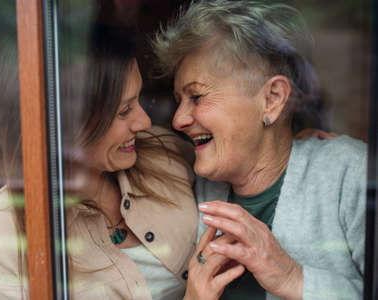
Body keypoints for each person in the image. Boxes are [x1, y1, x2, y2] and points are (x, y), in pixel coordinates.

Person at [153, 1, 366, 299]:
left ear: (272, 99)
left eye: (197, 96)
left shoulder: (352, 175)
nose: (178, 119)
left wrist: (292, 277)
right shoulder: (184, 184)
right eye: (179, 99)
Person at [0, 25, 198, 300]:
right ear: (63, 124)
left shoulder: (168, 155)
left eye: (139, 100)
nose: (144, 122)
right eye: (124, 111)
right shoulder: (4, 223)